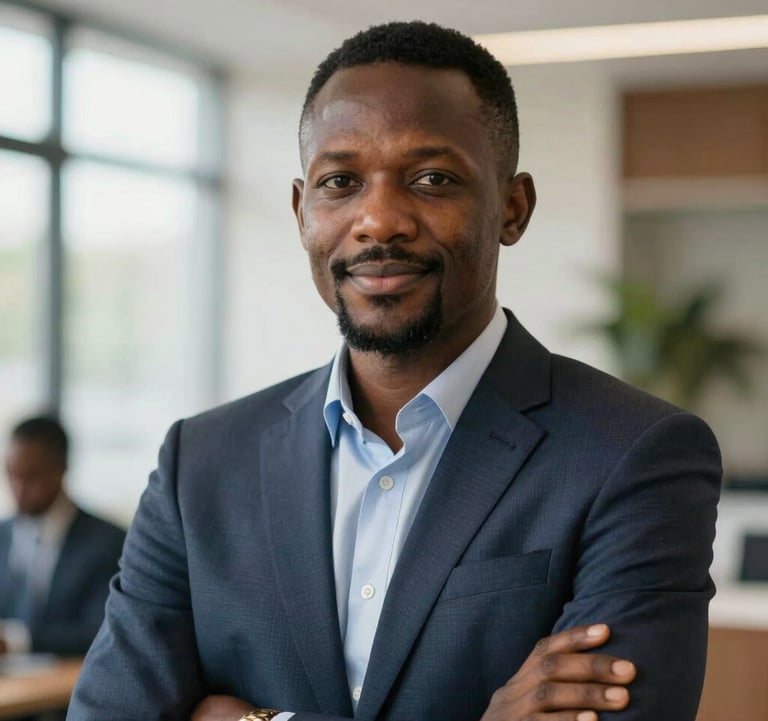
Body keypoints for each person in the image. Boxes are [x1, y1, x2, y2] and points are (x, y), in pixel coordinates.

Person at [67, 21, 721, 721]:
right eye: (341, 181)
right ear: (302, 210)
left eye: (432, 178)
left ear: (512, 206)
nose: (378, 219)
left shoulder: (633, 453)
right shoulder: (199, 463)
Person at [0, 416, 125, 656]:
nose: (19, 489)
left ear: (61, 469)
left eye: (31, 477)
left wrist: (16, 641)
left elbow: (101, 630)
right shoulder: (3, 534)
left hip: (66, 685)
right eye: (12, 475)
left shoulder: (107, 543)